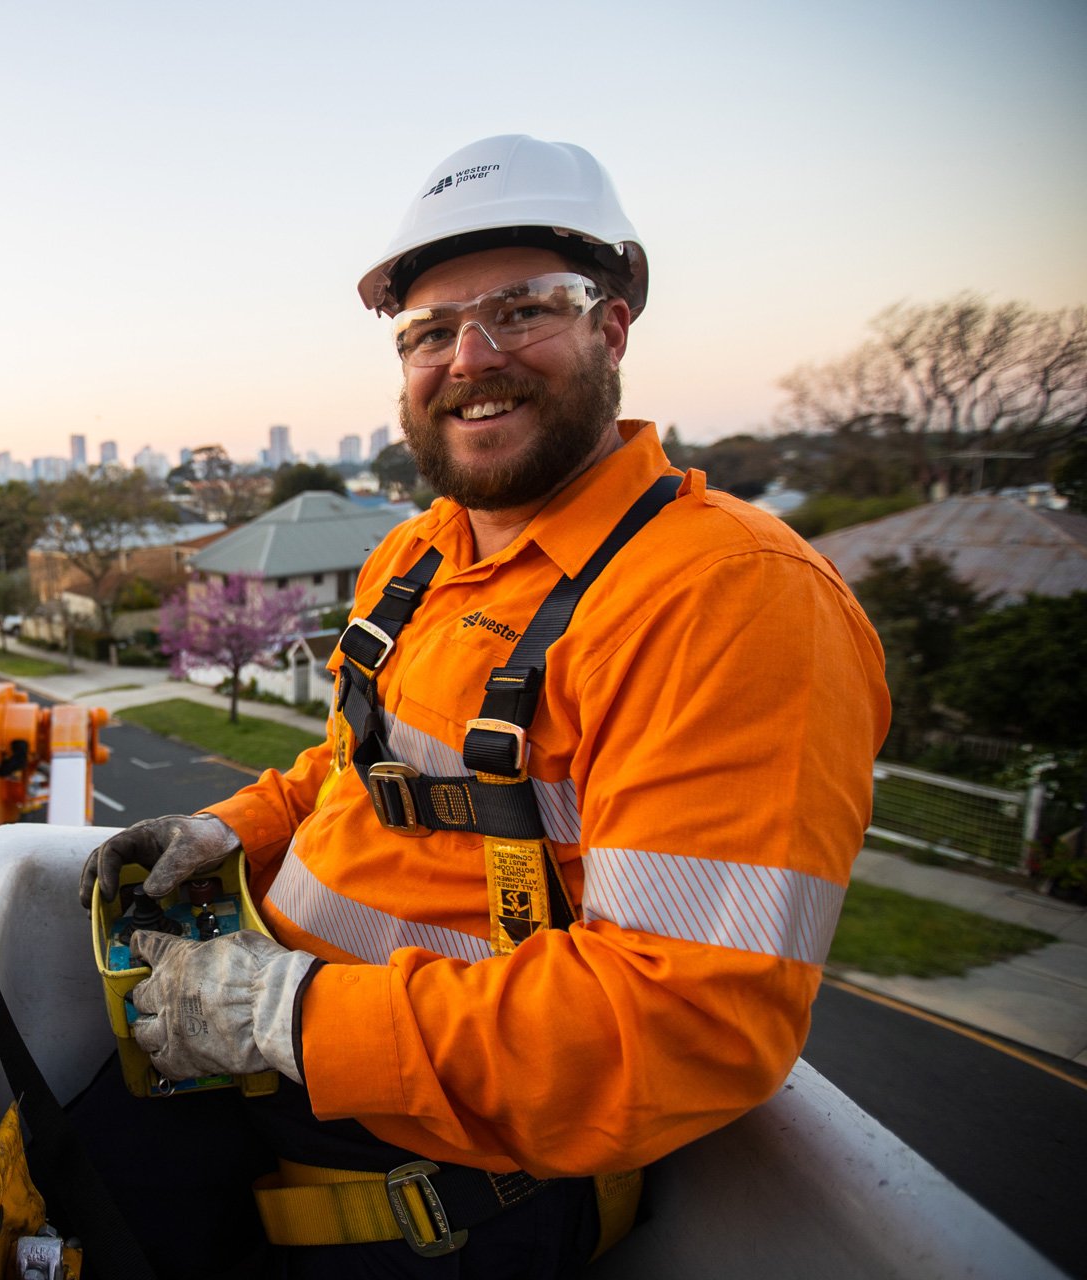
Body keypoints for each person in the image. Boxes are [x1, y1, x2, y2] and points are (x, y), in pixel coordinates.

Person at [80, 135, 889, 1276]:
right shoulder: (418, 555)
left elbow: (686, 1023)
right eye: (428, 330)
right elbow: (357, 770)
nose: (470, 357)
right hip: (264, 1077)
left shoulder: (731, 601)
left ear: (613, 327)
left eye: (522, 310)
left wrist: (296, 1016)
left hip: (437, 1184)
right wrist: (240, 826)